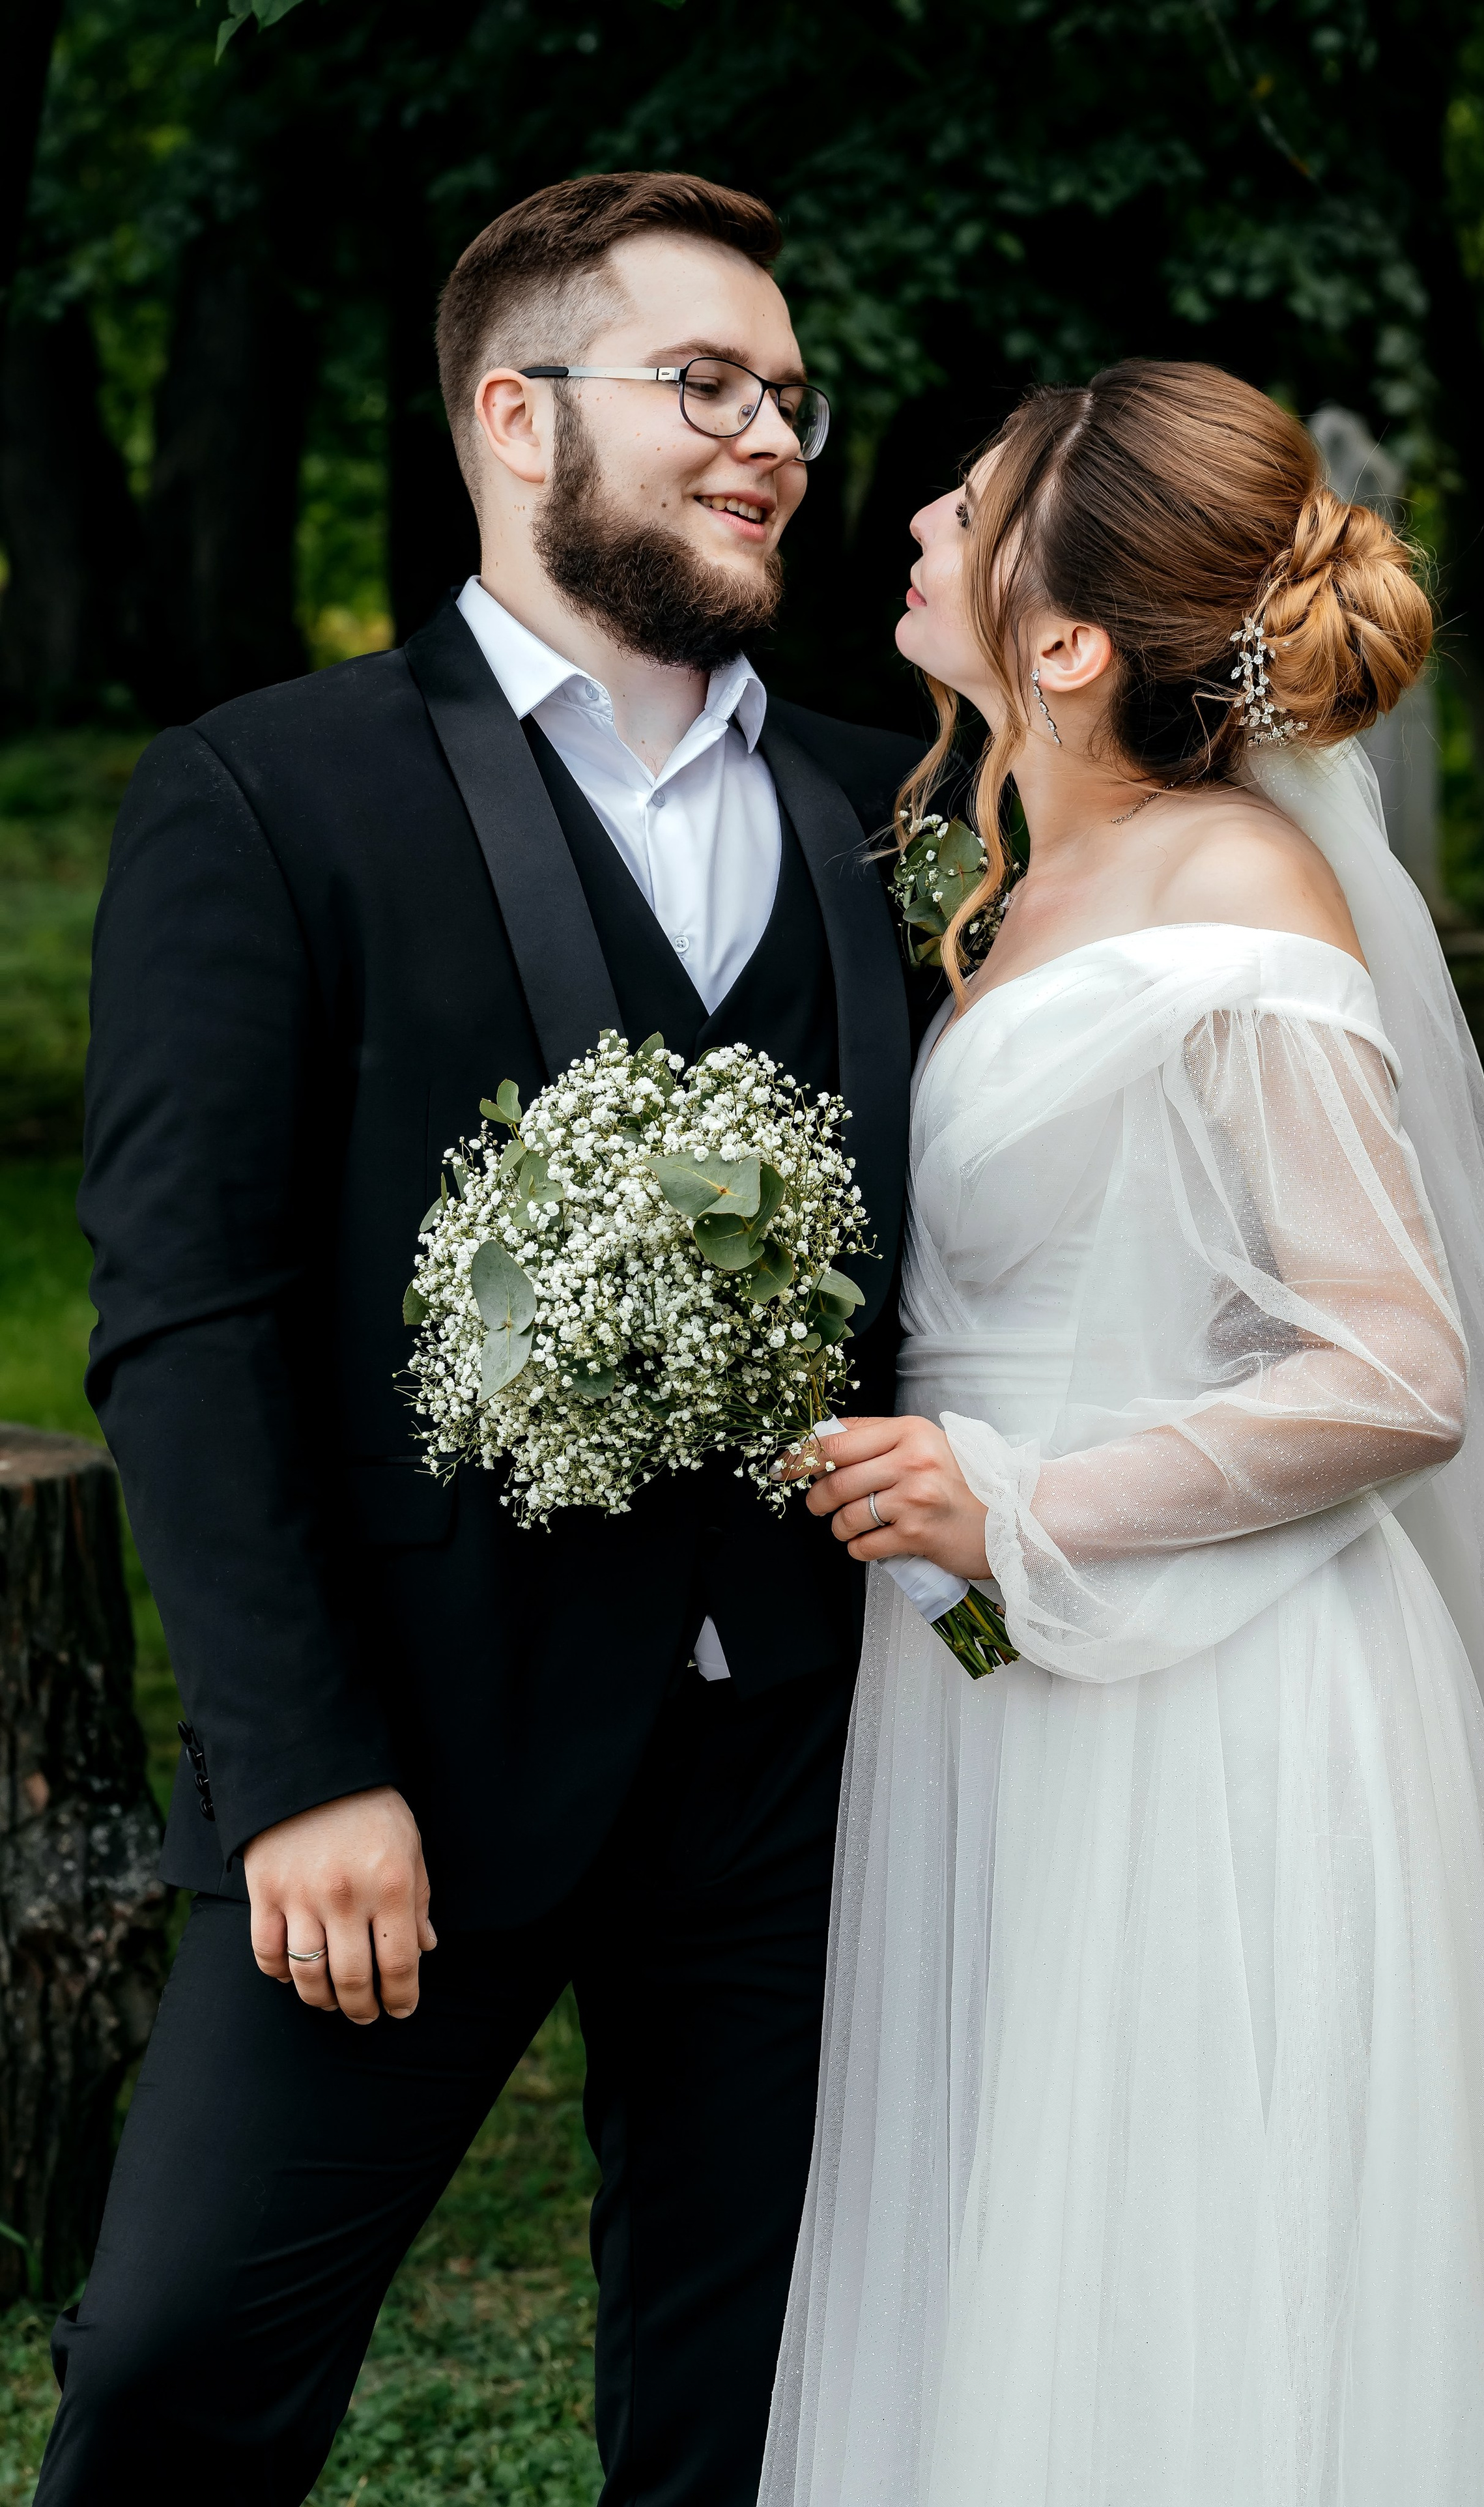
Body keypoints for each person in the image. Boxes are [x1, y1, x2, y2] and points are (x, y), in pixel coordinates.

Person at [42, 170, 924, 2505]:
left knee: (752, 2410)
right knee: (171, 2372)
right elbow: (190, 1324)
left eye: (792, 397)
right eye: (707, 385)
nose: (774, 439)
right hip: (402, 1766)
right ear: (517, 419)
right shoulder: (268, 791)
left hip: (801, 1774)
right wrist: (302, 1773)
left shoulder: (890, 814)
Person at [760, 361, 1484, 2506]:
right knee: (1015, 2274)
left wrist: (1021, 1496)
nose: (906, 528)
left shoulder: (1239, 913)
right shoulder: (1018, 870)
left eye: (960, 513)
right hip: (1004, 1664)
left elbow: (1395, 1370)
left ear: (1065, 643)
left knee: (1183, 2303)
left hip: (1207, 1703)